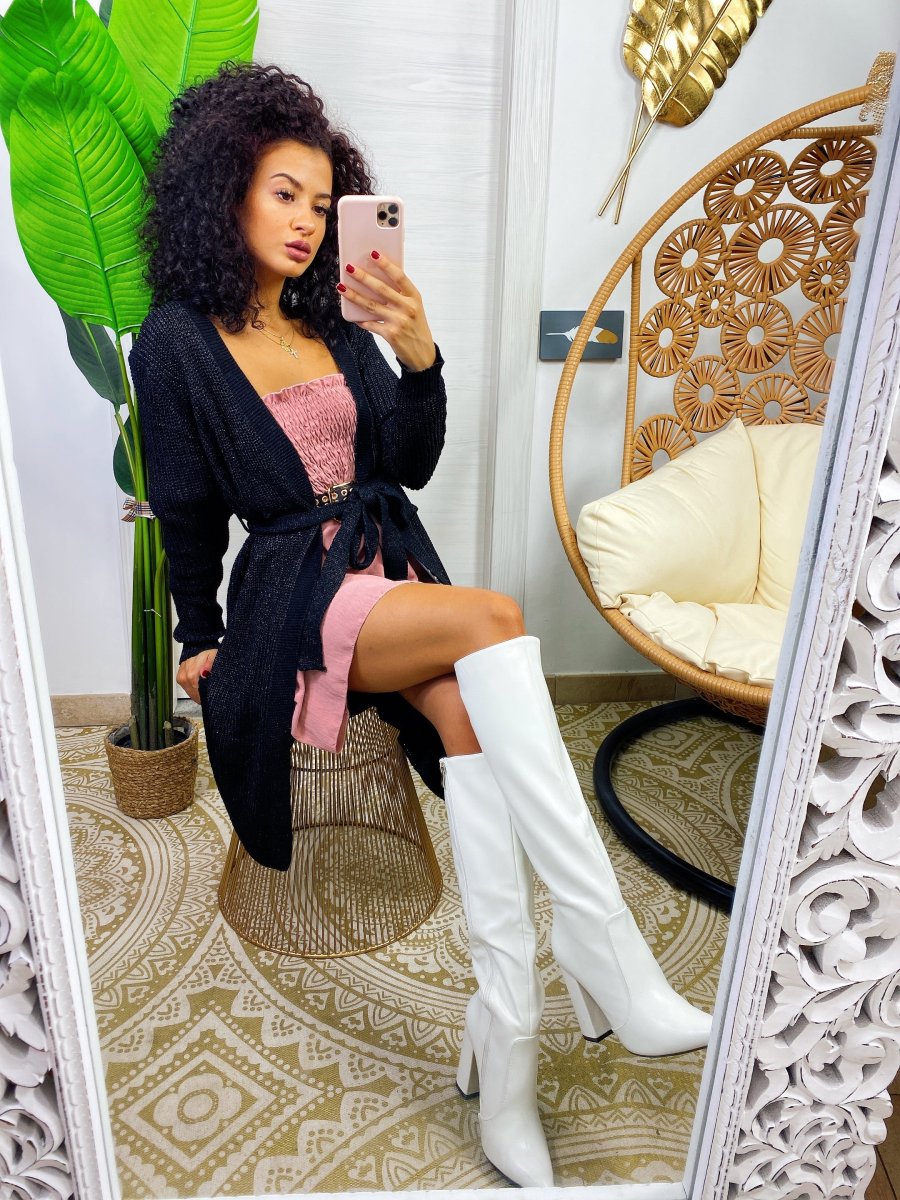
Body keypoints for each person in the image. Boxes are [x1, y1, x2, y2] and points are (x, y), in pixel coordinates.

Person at [129, 59, 712, 1189]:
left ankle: (508, 1049)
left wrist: (419, 351)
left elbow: (407, 462)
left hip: (385, 570)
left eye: (319, 199)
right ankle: (608, 955)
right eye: (282, 193)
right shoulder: (176, 341)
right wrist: (195, 635)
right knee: (494, 617)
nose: (305, 221)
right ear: (223, 192)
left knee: (472, 728)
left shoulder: (335, 316)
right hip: (291, 595)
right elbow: (187, 505)